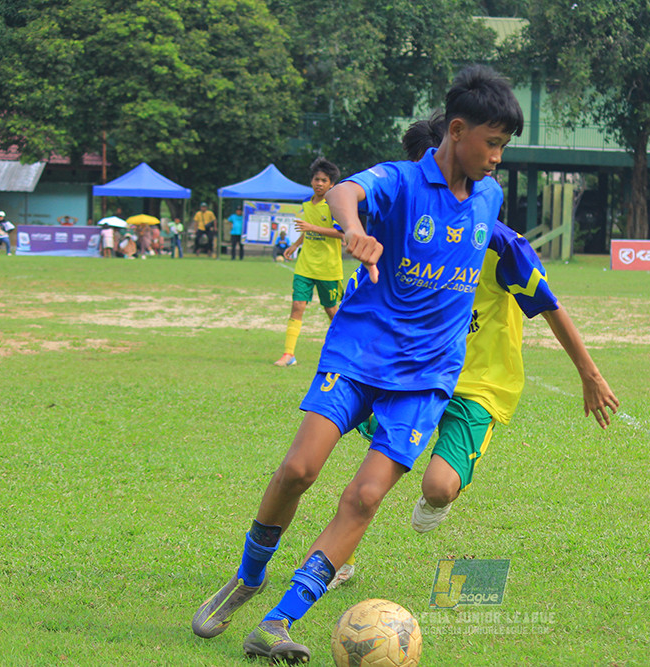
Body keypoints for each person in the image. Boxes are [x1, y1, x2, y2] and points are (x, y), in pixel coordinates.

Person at [191, 65, 524, 664]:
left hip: (427, 379)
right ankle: (249, 576)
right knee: (298, 468)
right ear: (456, 130)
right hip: (362, 352)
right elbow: (346, 191)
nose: (498, 157)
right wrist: (352, 230)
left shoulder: (492, 196)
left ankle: (277, 621)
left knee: (365, 497)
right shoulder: (401, 180)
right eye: (493, 143)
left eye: (503, 146)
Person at [327, 113, 619, 590]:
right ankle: (338, 559)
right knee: (371, 477)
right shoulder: (406, 227)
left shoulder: (501, 246)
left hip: (479, 385)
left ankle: (436, 499)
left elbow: (549, 306)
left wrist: (589, 373)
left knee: (437, 486)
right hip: (413, 374)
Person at [273, 158, 343, 368]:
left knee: (331, 310)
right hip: (305, 265)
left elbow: (341, 233)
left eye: (324, 180)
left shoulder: (334, 204)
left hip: (328, 268)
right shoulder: (305, 203)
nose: (319, 183)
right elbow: (307, 229)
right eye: (316, 179)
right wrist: (295, 245)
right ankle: (288, 354)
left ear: (331, 184)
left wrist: (312, 228)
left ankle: (345, 350)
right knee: (297, 306)